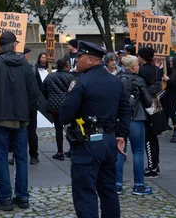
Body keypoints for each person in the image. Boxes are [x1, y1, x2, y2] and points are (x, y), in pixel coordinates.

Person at [60, 41, 131, 218]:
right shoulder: (115, 81)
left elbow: (65, 115)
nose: (77, 60)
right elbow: (125, 110)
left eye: (80, 57)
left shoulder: (80, 82)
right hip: (108, 141)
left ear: (91, 60)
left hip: (87, 143)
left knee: (85, 192)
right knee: (108, 190)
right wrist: (121, 135)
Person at [0, 32, 39, 211]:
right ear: (14, 45)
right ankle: (22, 197)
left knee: (1, 157)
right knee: (21, 158)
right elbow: (34, 93)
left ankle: (5, 198)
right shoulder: (26, 65)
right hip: (21, 118)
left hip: (0, 116)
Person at [115, 55, 153, 195]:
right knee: (138, 152)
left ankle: (117, 185)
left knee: (119, 152)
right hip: (136, 117)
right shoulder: (138, 80)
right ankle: (138, 185)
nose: (139, 67)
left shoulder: (116, 79)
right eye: (137, 64)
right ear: (132, 67)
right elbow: (148, 102)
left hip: (119, 119)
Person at [138, 47, 167, 178]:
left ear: (142, 57)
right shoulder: (157, 69)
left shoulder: (142, 70)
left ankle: (152, 167)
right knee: (153, 136)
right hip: (156, 103)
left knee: (148, 138)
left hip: (147, 103)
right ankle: (155, 164)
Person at [43, 57, 74, 160]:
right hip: (67, 105)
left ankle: (60, 151)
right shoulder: (71, 78)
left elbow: (43, 88)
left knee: (58, 129)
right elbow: (74, 91)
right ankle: (72, 149)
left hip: (55, 106)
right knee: (71, 127)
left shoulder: (50, 76)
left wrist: (50, 97)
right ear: (65, 67)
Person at [23, 47, 40, 165]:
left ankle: (30, 154)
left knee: (22, 130)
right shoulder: (32, 68)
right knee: (31, 131)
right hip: (30, 104)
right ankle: (33, 155)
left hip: (24, 104)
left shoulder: (29, 68)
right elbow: (38, 86)